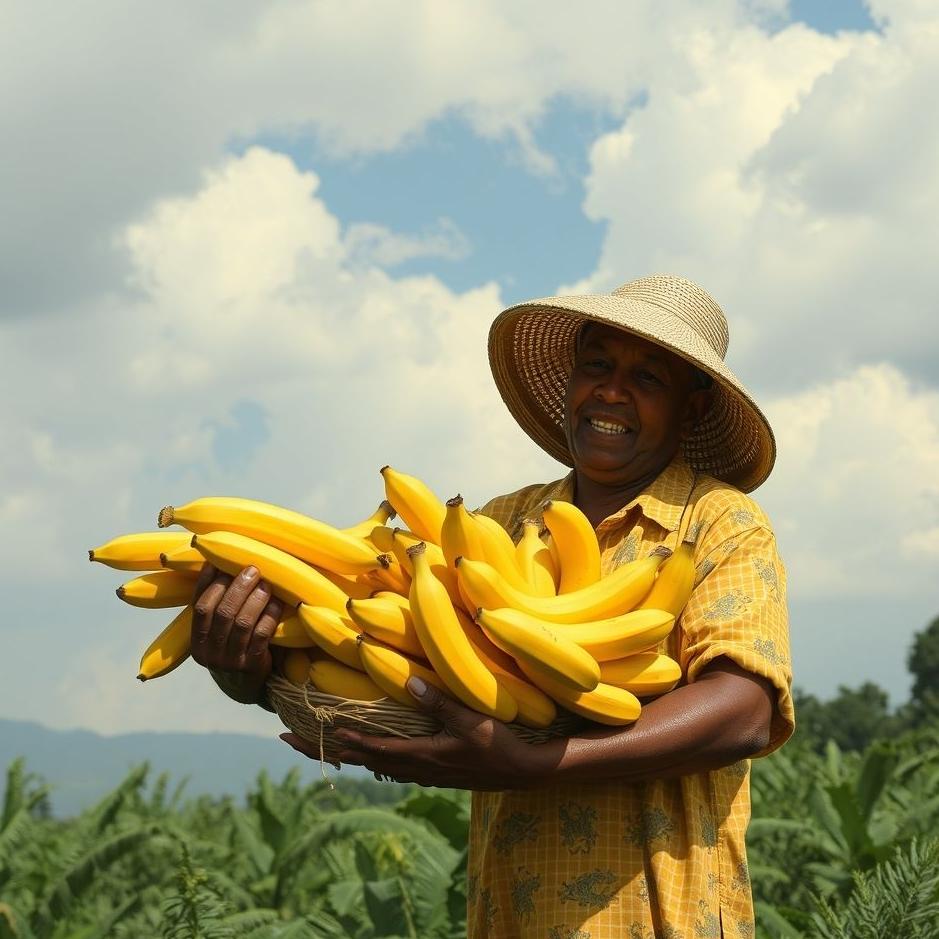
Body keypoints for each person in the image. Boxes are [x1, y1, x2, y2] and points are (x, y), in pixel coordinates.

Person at [190, 274, 794, 938]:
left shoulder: (720, 524)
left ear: (692, 409)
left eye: (647, 378)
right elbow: (381, 661)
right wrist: (246, 670)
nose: (611, 391)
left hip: (662, 917)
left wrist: (541, 763)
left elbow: (742, 710)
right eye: (596, 366)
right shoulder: (495, 525)